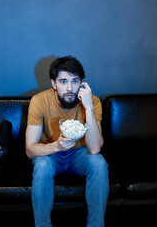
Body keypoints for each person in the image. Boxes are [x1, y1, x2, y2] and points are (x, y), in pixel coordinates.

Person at [25, 56, 109, 227]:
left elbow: (94, 149)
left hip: (79, 154)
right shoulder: (39, 101)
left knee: (99, 162)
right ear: (54, 84)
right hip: (50, 154)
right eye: (63, 81)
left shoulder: (92, 101)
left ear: (82, 83)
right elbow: (30, 149)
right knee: (41, 166)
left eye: (75, 81)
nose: (70, 88)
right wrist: (56, 146)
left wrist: (89, 107)